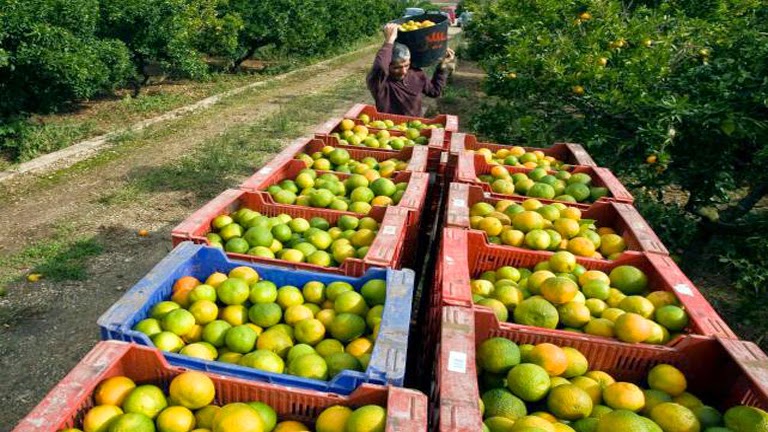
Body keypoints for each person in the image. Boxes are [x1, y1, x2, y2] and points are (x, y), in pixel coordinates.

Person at [367, 22, 455, 117]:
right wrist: (389, 40)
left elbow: (435, 92)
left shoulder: (417, 74)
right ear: (388, 65)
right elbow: (380, 66)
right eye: (397, 67)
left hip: (415, 127)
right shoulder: (380, 81)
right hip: (389, 128)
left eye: (406, 65)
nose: (403, 71)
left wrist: (442, 66)